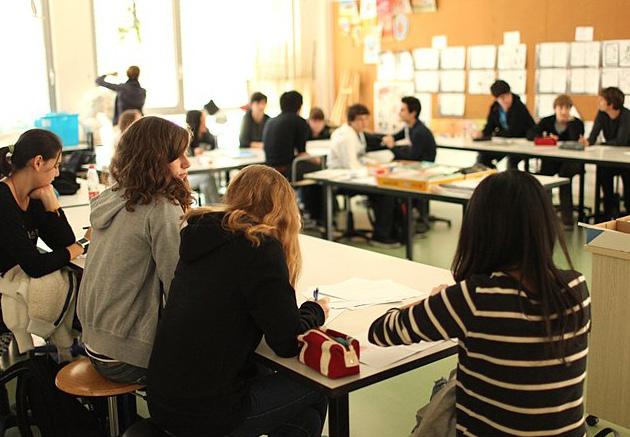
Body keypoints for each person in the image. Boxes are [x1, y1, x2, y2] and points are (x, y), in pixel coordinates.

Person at [369, 171, 590, 437]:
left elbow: (381, 331)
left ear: (480, 229)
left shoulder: (473, 299)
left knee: (444, 389)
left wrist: (433, 301)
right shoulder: (577, 288)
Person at [147, 165, 329, 437]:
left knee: (303, 419)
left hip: (162, 399)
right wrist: (314, 311)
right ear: (282, 209)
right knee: (318, 385)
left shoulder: (201, 235)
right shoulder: (259, 246)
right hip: (207, 413)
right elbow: (288, 343)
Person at [77, 116, 193, 385]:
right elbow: (178, 287)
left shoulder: (116, 195)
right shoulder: (161, 207)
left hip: (95, 342)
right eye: (178, 156)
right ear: (154, 159)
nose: (187, 163)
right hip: (125, 356)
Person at [0, 129, 87, 331]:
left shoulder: (35, 195)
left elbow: (63, 242)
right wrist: (81, 245)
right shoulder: (3, 200)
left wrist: (52, 203)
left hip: (17, 281)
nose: (57, 173)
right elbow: (35, 266)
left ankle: (68, 351)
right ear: (38, 162)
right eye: (56, 166)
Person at [263, 90, 323, 223]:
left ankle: (306, 209)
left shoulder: (270, 121)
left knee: (310, 168)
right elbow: (302, 152)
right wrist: (317, 160)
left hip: (269, 170)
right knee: (320, 170)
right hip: (289, 169)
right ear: (299, 106)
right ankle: (317, 215)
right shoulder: (299, 121)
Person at [527, 94, 585, 228]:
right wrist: (544, 136)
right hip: (553, 160)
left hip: (571, 161)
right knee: (544, 175)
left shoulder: (576, 123)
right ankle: (545, 214)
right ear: (555, 108)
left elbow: (575, 140)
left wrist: (569, 123)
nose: (564, 111)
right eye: (560, 107)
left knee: (565, 176)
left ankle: (567, 219)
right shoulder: (547, 121)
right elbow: (531, 134)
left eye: (567, 108)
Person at [579, 87, 630, 218]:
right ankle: (609, 209)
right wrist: (587, 142)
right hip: (611, 158)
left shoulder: (626, 115)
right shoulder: (601, 114)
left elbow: (621, 141)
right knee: (602, 171)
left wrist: (600, 144)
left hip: (626, 161)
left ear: (611, 104)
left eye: (601, 100)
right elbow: (593, 137)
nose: (599, 103)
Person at [475, 80, 535, 169]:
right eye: (502, 97)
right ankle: (492, 178)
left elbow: (515, 131)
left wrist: (496, 136)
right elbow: (490, 126)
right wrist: (482, 133)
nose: (506, 99)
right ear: (496, 98)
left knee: (511, 161)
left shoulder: (519, 107)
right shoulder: (495, 108)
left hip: (520, 143)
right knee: (482, 157)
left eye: (508, 95)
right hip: (503, 143)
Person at [381, 96, 436, 162]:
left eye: (403, 110)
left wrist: (392, 147)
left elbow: (412, 157)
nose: (399, 113)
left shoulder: (419, 131)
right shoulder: (409, 127)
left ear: (413, 113)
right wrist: (388, 139)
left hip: (422, 167)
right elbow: (395, 137)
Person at [186, 110, 220, 205]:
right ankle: (216, 209)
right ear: (196, 122)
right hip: (189, 176)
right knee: (207, 178)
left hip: (204, 171)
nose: (205, 122)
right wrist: (193, 152)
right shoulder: (186, 138)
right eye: (203, 120)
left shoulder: (206, 134)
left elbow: (213, 149)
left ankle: (211, 211)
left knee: (207, 181)